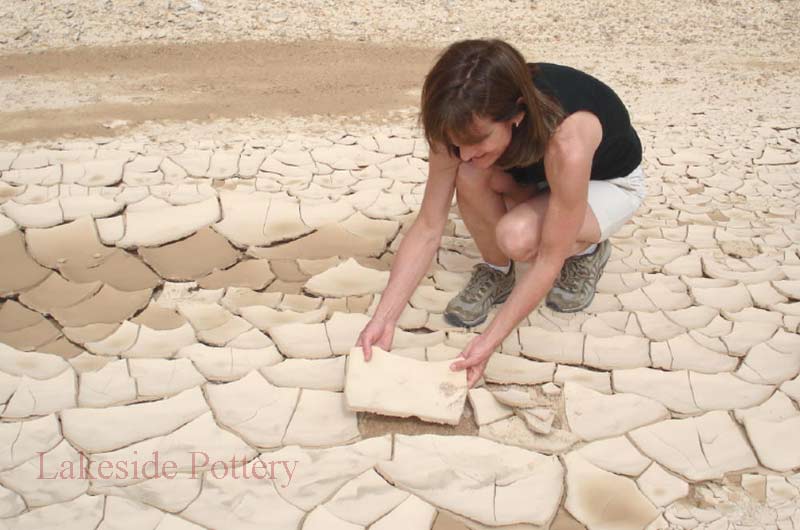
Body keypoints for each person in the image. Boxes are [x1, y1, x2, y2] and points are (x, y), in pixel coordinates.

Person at [356, 39, 645, 388]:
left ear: (517, 114)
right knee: (469, 173)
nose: (463, 151)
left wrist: (485, 344)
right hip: (537, 173)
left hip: (606, 182)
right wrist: (383, 319)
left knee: (517, 236)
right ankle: (496, 270)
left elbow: (548, 261)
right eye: (456, 142)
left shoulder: (568, 140)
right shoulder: (457, 122)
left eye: (477, 139)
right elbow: (430, 225)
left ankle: (587, 250)